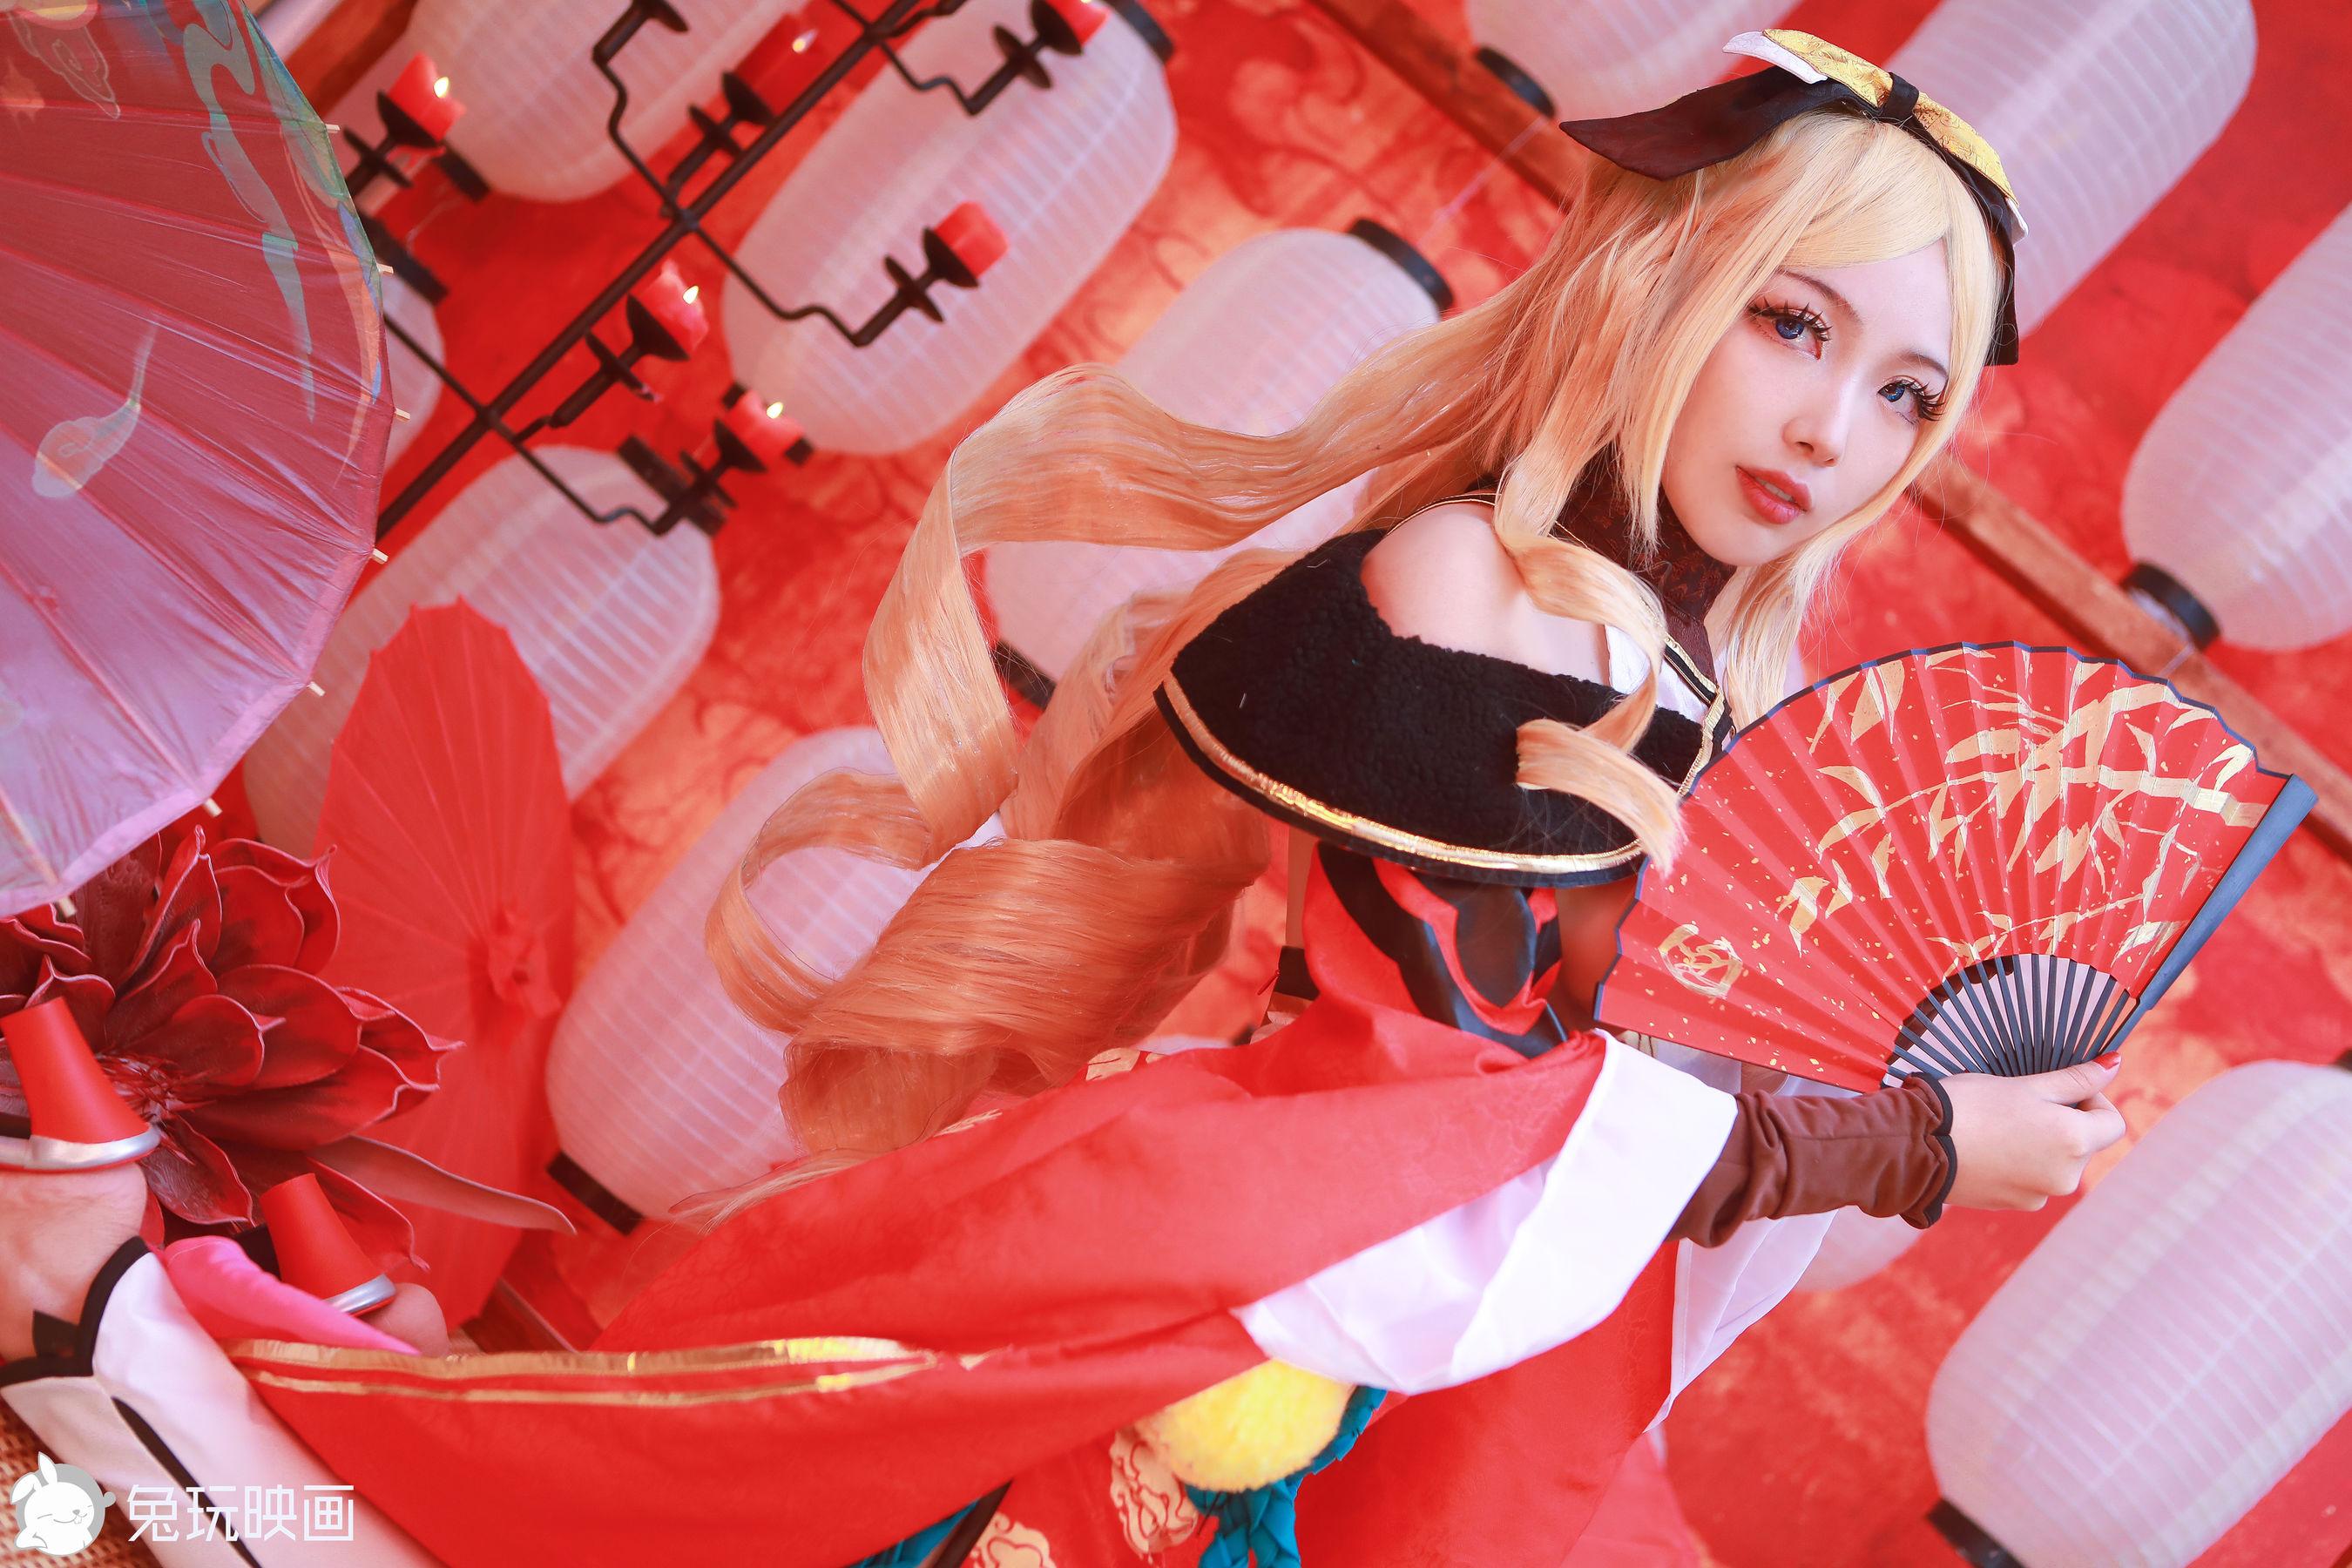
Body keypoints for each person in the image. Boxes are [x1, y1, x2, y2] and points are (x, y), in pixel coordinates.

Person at [0, 30, 2128, 1568]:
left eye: (1903, 393)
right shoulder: (1486, 590)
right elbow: (1468, 1095)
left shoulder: (1667, 672)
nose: (1833, 428)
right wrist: (1909, 1147)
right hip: (1216, 1249)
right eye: (1793, 326)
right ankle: (115, 1344)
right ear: (1662, 285)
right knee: (599, 1517)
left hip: (1299, 1322)